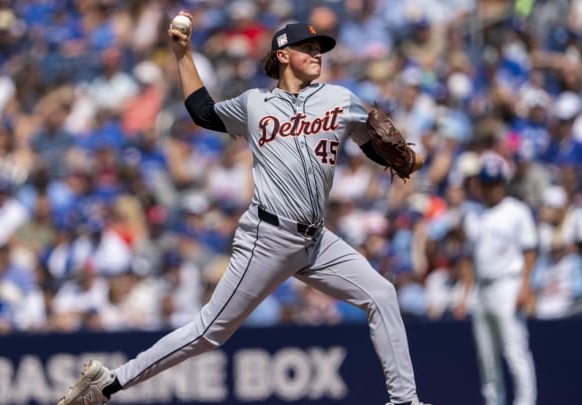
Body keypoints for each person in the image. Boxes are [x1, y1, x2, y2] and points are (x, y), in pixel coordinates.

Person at [57, 12, 430, 405]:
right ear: (283, 55)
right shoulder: (255, 104)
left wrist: (408, 157)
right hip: (268, 236)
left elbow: (390, 156)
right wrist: (182, 54)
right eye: (308, 48)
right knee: (209, 332)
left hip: (316, 240)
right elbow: (202, 111)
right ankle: (109, 383)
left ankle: (404, 401)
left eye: (319, 49)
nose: (317, 54)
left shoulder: (341, 100)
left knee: (382, 294)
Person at [460, 152, 538, 405]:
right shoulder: (474, 216)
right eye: (487, 183)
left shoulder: (517, 211)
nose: (492, 188)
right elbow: (469, 260)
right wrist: (465, 295)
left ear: (503, 183)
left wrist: (525, 287)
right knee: (487, 357)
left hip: (508, 284)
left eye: (495, 182)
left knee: (515, 351)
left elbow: (530, 252)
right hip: (482, 290)